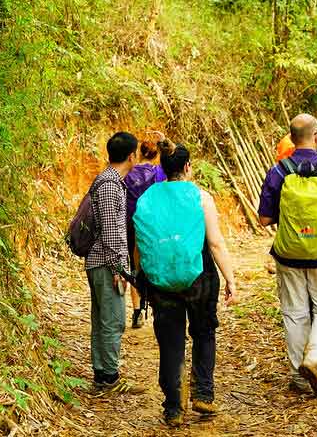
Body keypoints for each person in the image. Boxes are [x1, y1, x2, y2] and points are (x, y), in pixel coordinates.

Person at [134, 142, 237, 427]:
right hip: (200, 278)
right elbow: (215, 242)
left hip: (162, 280)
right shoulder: (200, 196)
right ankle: (203, 393)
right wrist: (230, 278)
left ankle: (173, 408)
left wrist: (143, 277)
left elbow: (141, 245)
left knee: (170, 341)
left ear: (162, 169)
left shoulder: (148, 197)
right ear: (188, 167)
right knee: (204, 332)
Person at [258, 114, 317, 395]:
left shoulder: (278, 171)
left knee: (295, 313)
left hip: (287, 255)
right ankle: (315, 360)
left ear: (291, 137)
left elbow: (263, 219)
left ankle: (300, 379)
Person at [86, 131, 143, 393]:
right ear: (131, 155)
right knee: (113, 320)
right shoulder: (110, 184)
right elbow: (111, 231)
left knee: (103, 320)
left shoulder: (109, 180)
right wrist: (118, 269)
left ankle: (102, 374)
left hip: (101, 262)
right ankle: (109, 377)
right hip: (106, 263)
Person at [124, 131, 168, 328]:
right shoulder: (159, 173)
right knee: (154, 263)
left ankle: (136, 310)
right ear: (157, 153)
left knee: (134, 265)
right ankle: (156, 305)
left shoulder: (127, 173)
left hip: (130, 224)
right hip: (153, 226)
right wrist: (165, 141)